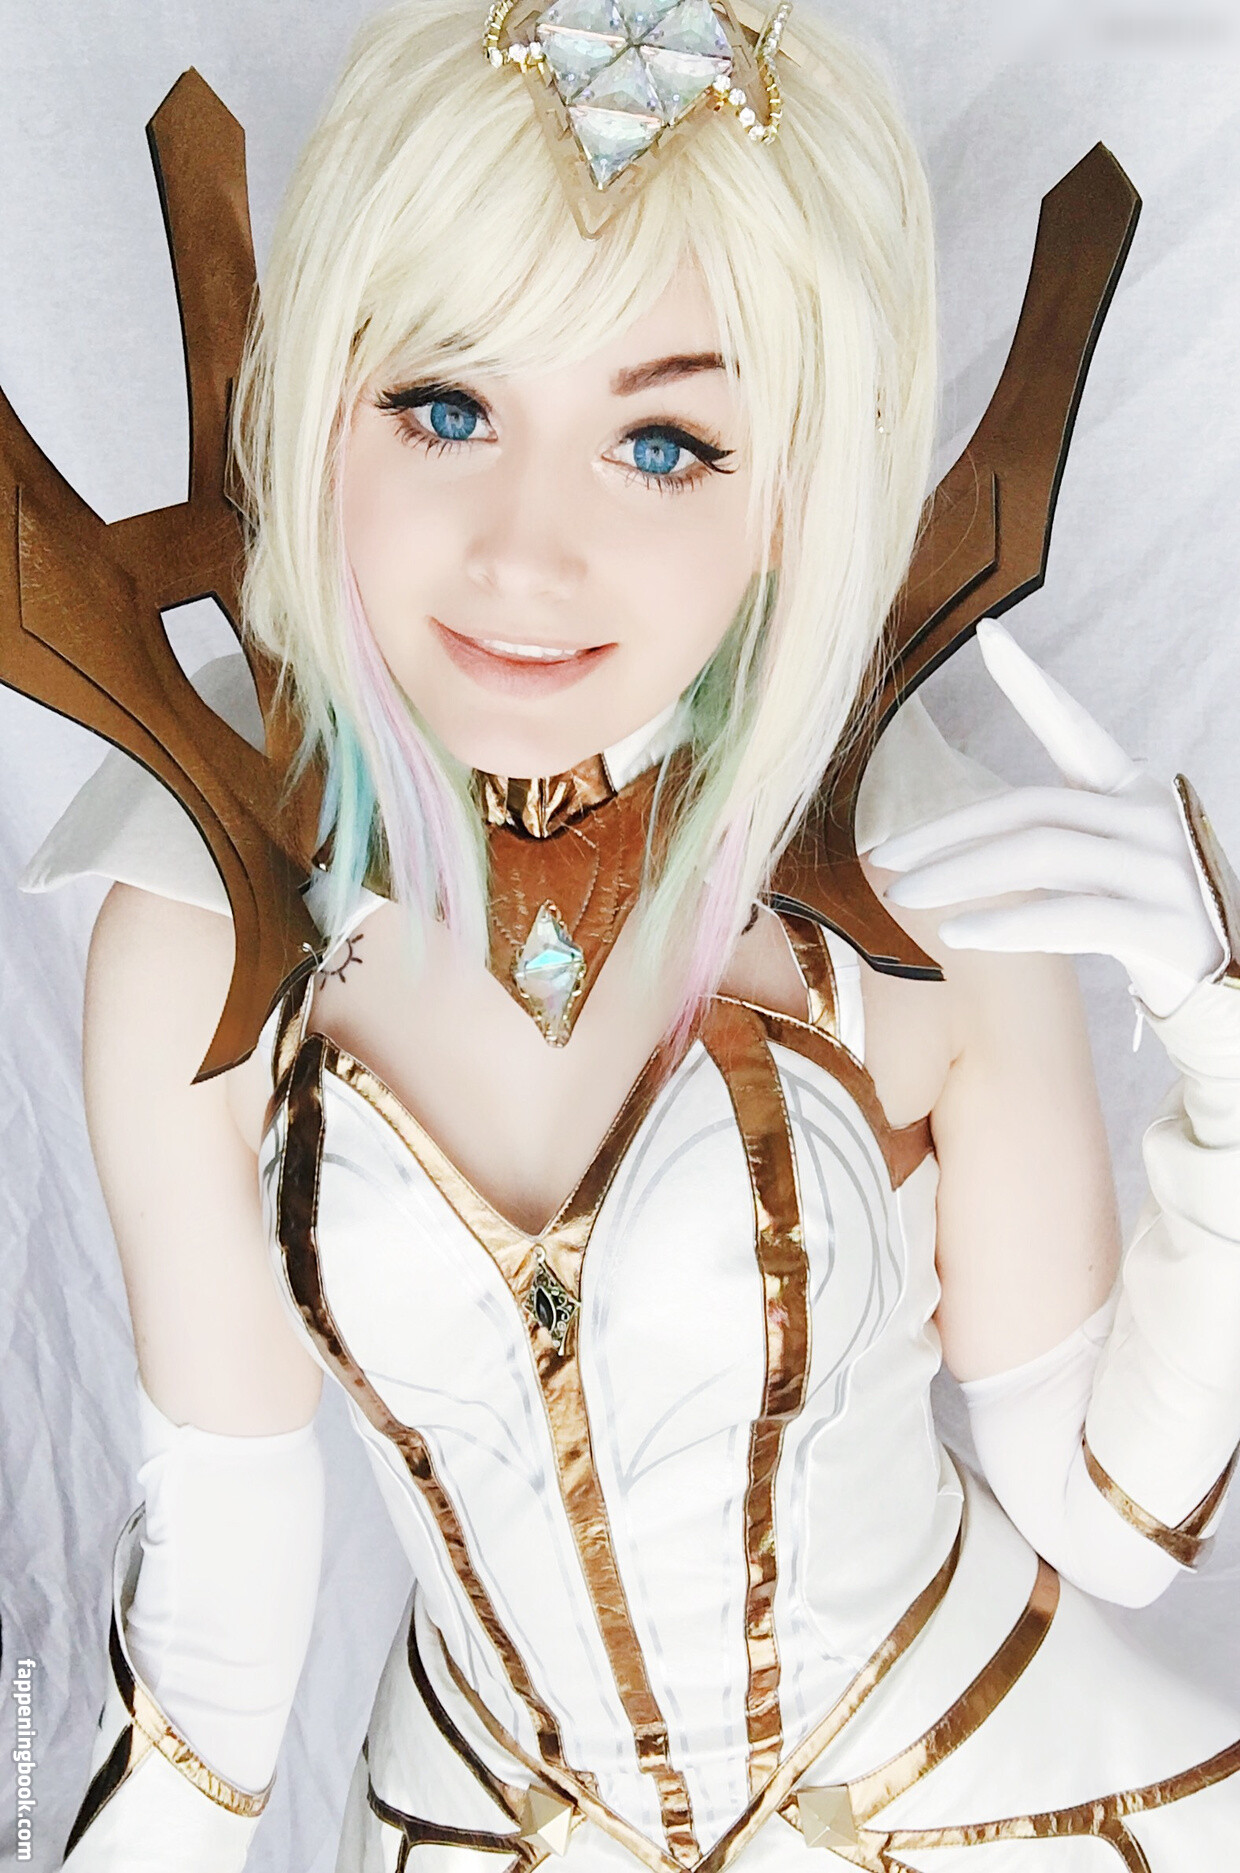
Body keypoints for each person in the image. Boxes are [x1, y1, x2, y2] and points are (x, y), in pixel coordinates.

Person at [13, 0, 1240, 1866]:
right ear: (315, 407)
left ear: (799, 491)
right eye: (446, 406)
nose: (525, 552)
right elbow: (222, 1627)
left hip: (993, 1802)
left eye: (664, 442)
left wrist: (1230, 1048)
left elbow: (1109, 1519)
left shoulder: (924, 898)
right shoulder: (201, 931)